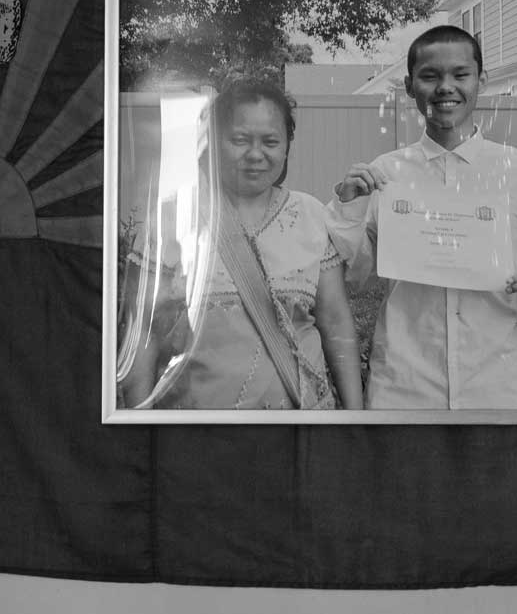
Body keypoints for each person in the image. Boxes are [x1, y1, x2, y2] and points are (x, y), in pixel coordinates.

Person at [327, 25, 517, 410]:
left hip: (498, 386)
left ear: (482, 80)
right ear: (410, 85)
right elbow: (352, 273)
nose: (445, 87)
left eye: (460, 74)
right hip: (403, 386)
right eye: (430, 76)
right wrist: (348, 206)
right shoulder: (386, 175)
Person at [122, 78, 363, 411]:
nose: (255, 154)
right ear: (213, 142)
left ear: (286, 147)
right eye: (239, 140)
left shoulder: (310, 216)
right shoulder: (172, 220)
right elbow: (142, 336)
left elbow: (336, 321)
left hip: (302, 430)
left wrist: (355, 419)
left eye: (270, 141)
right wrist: (139, 427)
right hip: (196, 434)